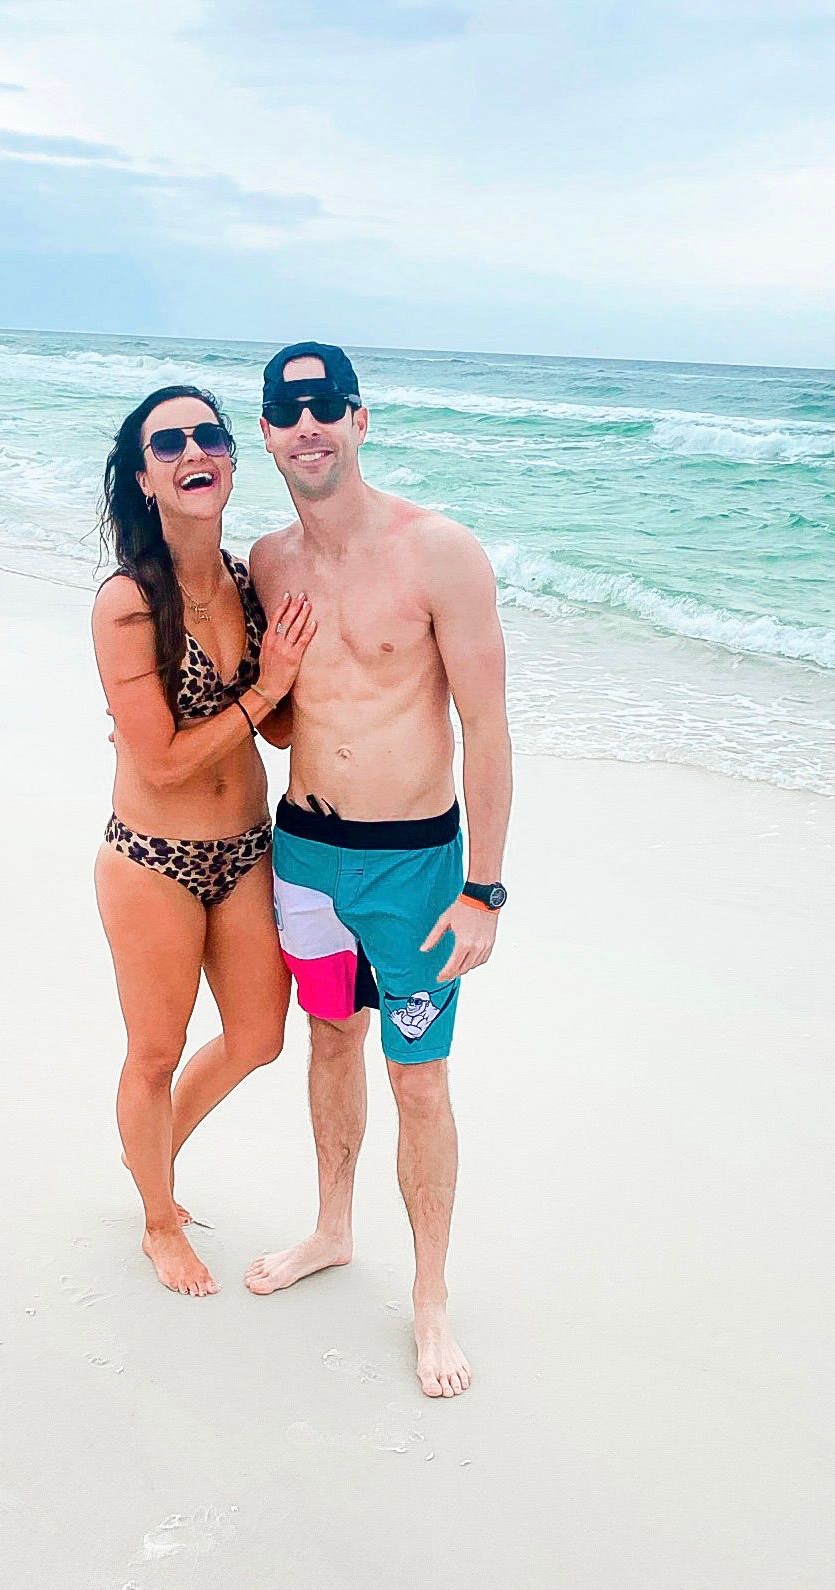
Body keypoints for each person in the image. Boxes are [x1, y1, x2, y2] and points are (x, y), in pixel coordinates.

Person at [243, 343, 512, 1399]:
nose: (306, 426)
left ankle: (430, 1299)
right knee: (327, 1041)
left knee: (420, 1077)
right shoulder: (268, 563)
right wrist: (267, 683)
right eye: (284, 411)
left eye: (324, 407)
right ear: (263, 434)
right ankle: (329, 1229)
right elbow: (275, 724)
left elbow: (487, 729)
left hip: (412, 869)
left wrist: (483, 889)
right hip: (306, 860)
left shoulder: (441, 551)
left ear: (360, 420)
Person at [93, 385, 315, 1297]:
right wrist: (268, 687)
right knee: (155, 1050)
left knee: (260, 1035)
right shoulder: (126, 602)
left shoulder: (247, 578)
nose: (194, 449)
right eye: (169, 441)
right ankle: (157, 1217)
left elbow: (284, 732)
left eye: (208, 436)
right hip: (154, 860)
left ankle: (153, 1152)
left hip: (246, 850)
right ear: (145, 477)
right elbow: (167, 761)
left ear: (228, 460)